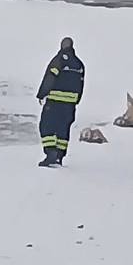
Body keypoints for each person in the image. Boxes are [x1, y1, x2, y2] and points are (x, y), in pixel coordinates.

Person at [36, 37, 85, 167]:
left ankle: (51, 154)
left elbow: (50, 77)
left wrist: (41, 94)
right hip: (69, 105)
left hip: (54, 103)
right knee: (63, 130)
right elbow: (81, 84)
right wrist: (76, 100)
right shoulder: (79, 64)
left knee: (47, 127)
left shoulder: (58, 61)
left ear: (62, 46)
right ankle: (59, 156)